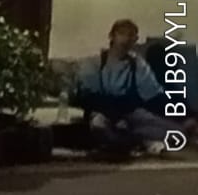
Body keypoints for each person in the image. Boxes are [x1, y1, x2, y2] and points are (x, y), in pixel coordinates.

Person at [74, 19, 190, 156]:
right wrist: (116, 113)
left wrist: (187, 115)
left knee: (178, 133)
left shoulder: (137, 64)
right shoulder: (95, 62)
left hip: (132, 115)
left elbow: (154, 95)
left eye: (131, 35)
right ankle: (129, 142)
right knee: (99, 125)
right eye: (122, 33)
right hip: (103, 113)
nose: (126, 39)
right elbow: (89, 97)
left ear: (135, 40)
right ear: (112, 36)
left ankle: (132, 140)